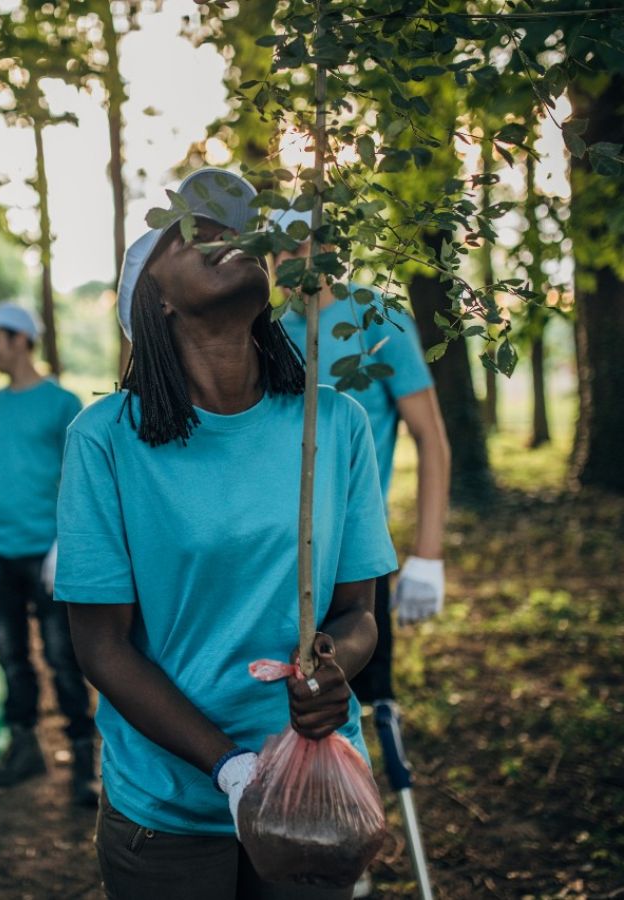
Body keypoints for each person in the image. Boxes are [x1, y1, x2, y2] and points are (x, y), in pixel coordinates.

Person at [54, 169, 398, 899]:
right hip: (168, 809)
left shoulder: (332, 424)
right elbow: (100, 644)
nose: (222, 236)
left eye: (237, 228)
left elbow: (358, 612)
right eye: (190, 232)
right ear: (159, 300)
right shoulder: (104, 441)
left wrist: (334, 667)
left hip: (315, 793)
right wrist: (232, 770)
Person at [272, 207, 451, 897]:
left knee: (362, 706)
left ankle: (353, 855)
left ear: (327, 246)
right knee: (293, 702)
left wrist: (428, 554)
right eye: (277, 245)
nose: (288, 257)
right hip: (283, 562)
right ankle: (298, 838)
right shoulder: (272, 334)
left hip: (359, 563)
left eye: (300, 242)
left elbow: (431, 437)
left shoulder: (377, 318)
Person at [0, 301, 98, 807]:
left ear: (20, 339)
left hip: (48, 554)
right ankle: (24, 748)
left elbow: (83, 480)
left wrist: (71, 543)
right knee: (9, 654)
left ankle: (85, 762)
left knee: (64, 658)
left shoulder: (63, 403)